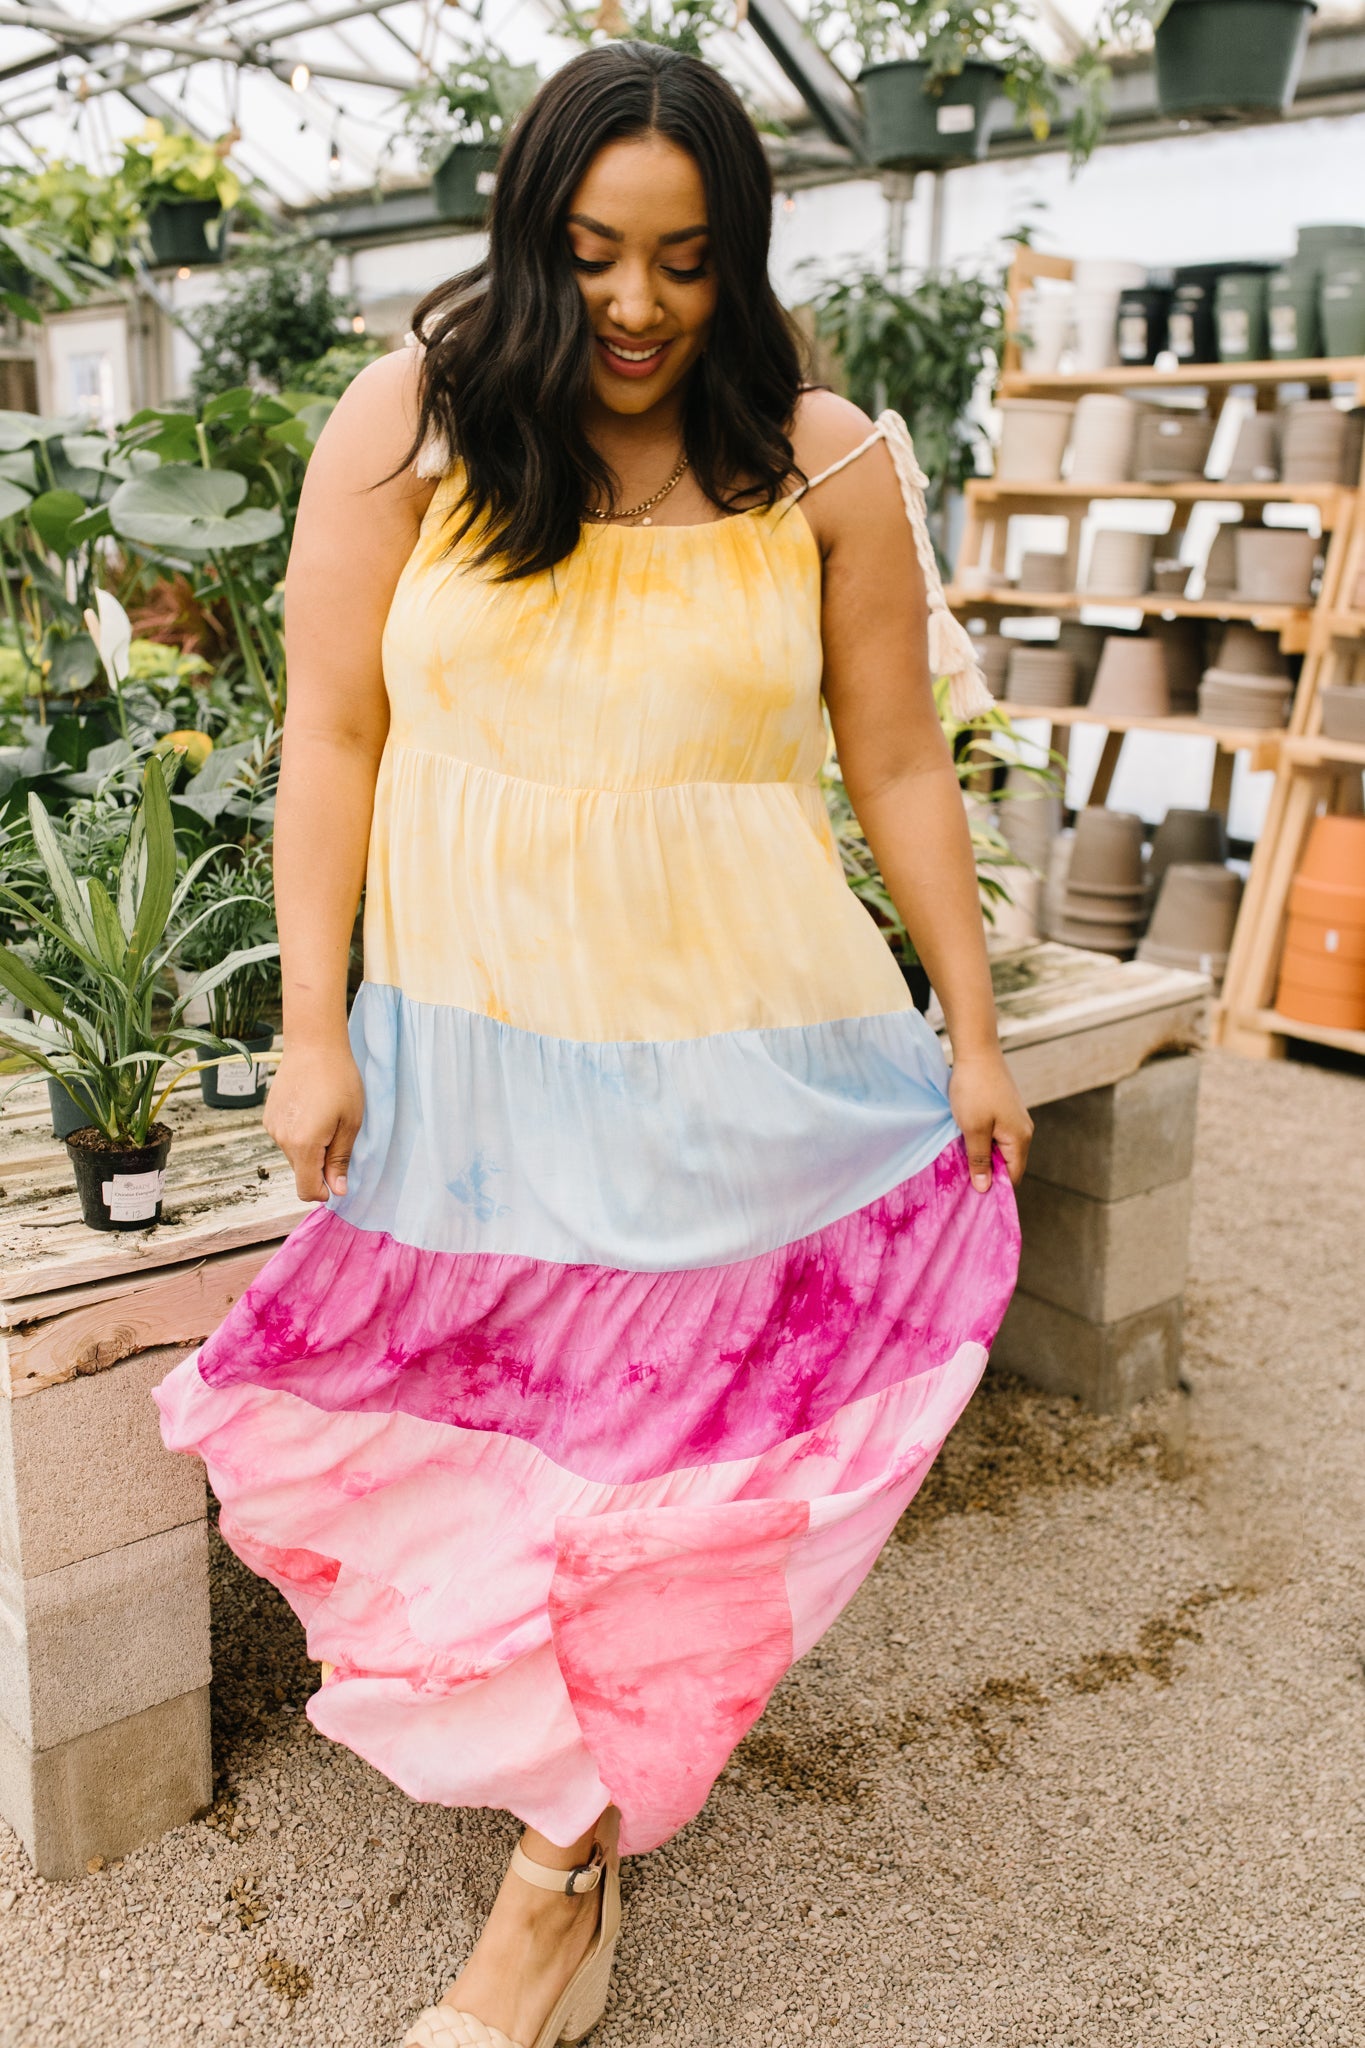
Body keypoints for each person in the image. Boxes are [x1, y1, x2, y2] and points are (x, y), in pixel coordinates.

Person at [156, 38, 1029, 2048]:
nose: (637, 304)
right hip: (478, 1072)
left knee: (682, 1469)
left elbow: (898, 759)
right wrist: (311, 1026)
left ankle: (555, 1885)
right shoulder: (412, 422)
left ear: (743, 256)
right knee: (497, 1454)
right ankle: (582, 1801)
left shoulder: (821, 465)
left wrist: (971, 1032)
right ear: (526, 238)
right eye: (593, 252)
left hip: (745, 1064)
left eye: (687, 259)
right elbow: (331, 733)